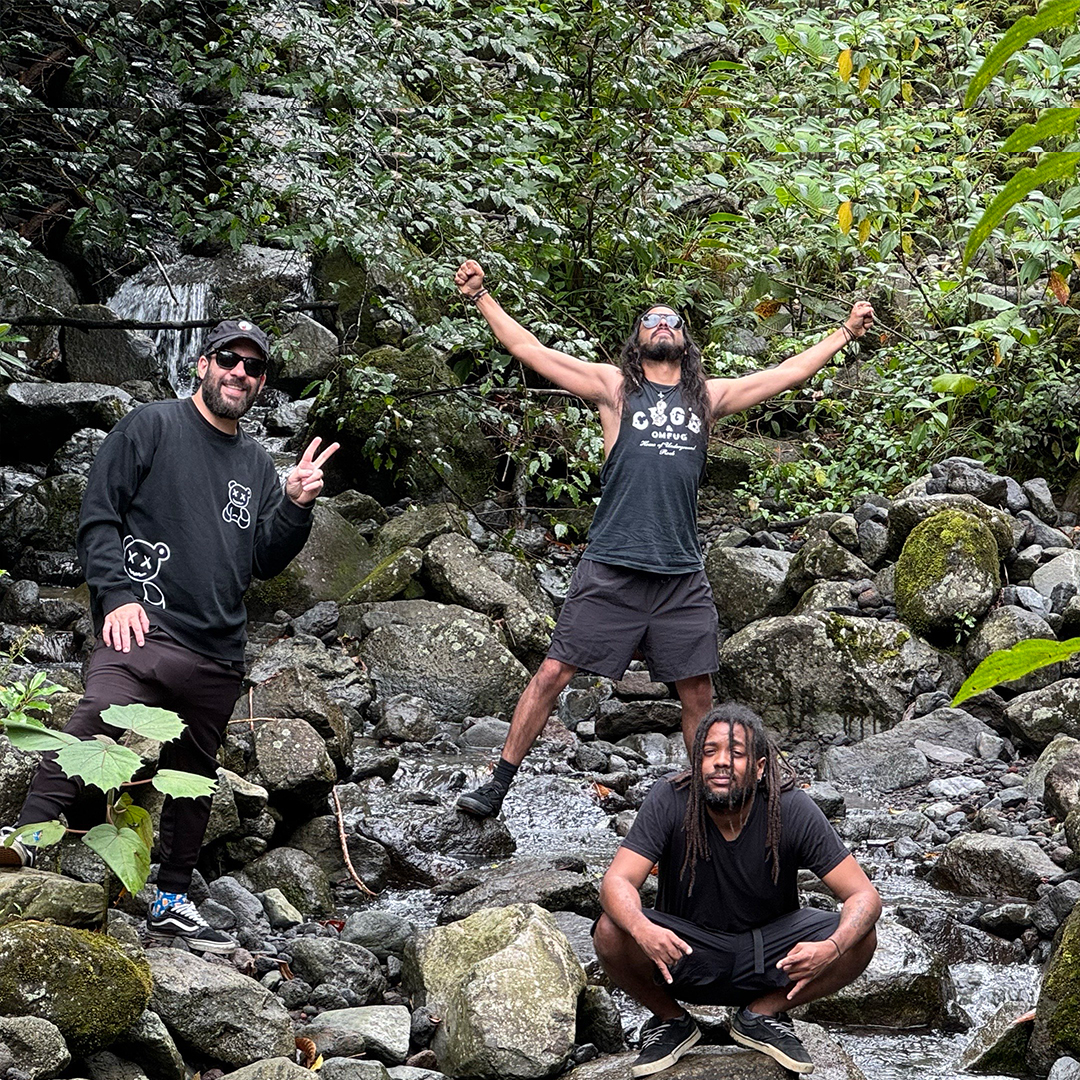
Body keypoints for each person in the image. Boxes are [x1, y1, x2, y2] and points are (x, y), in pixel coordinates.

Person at [452, 259, 875, 818]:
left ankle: (705, 805)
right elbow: (531, 350)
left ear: (685, 340)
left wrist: (844, 332)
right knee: (554, 671)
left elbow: (785, 374)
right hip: (613, 564)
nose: (661, 325)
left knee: (698, 691)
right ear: (637, 340)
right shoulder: (614, 388)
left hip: (680, 574)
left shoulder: (708, 399)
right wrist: (481, 297)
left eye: (672, 320)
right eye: (650, 320)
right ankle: (498, 785)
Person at [0, 318, 339, 953]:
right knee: (97, 714)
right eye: (229, 359)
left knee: (195, 776)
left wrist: (295, 504)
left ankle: (172, 898)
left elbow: (264, 559)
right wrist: (115, 595)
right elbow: (99, 516)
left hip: (218, 649)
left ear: (261, 382)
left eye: (253, 367)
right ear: (203, 364)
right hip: (144, 625)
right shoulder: (149, 426)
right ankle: (25, 841)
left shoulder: (256, 464)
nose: (239, 373)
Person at [593, 704, 880, 1076]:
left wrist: (832, 948)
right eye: (709, 752)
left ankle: (761, 1014)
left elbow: (864, 896)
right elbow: (616, 881)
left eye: (736, 753)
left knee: (861, 936)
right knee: (610, 929)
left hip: (770, 958)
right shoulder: (670, 798)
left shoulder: (790, 807)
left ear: (759, 768)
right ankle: (671, 1020)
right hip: (686, 956)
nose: (721, 762)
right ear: (697, 763)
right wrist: (642, 928)